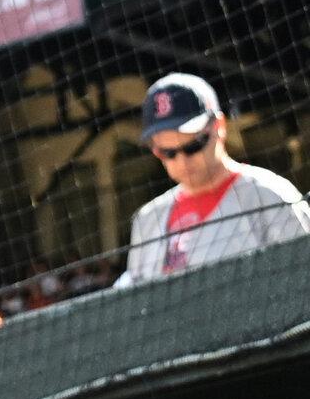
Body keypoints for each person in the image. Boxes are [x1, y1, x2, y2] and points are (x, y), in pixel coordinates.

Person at [111, 72, 310, 287]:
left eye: (193, 146)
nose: (182, 160)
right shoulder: (148, 219)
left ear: (218, 127)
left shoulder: (269, 194)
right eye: (168, 152)